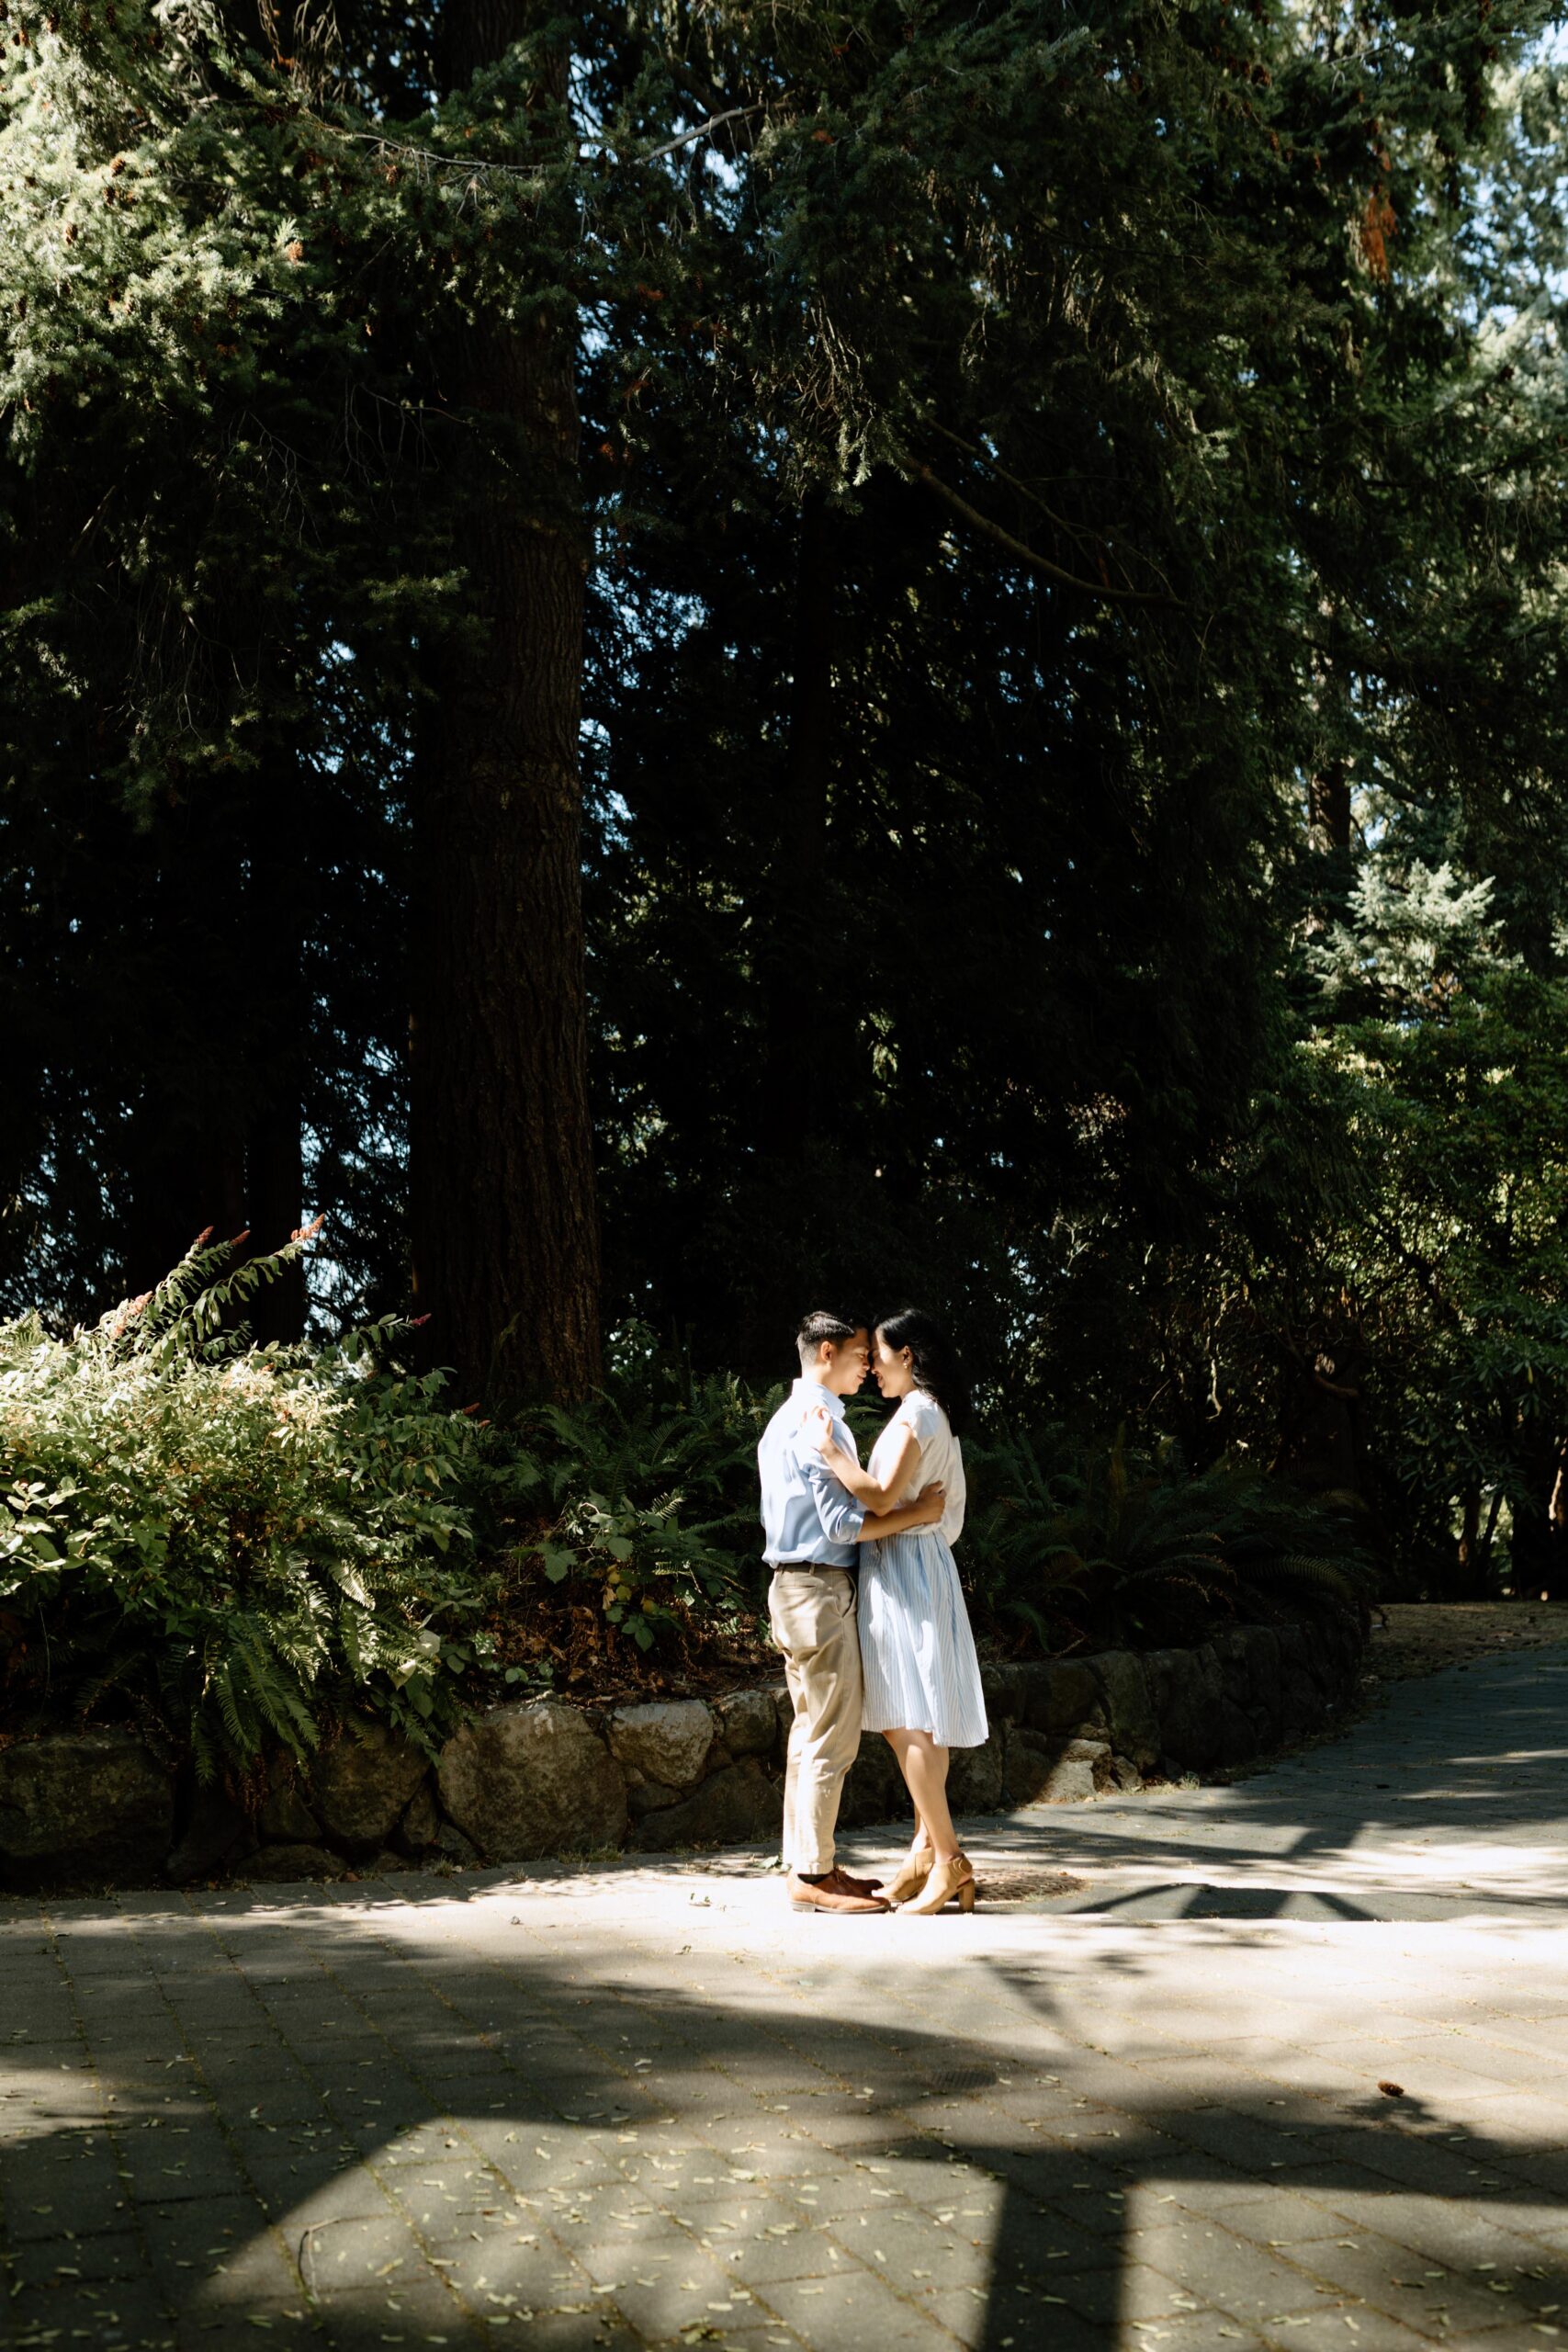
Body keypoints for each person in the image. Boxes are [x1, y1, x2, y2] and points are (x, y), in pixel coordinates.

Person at [758, 1310, 948, 1915]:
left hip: (793, 1588)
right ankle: (813, 1876)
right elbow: (842, 1522)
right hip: (817, 1588)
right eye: (859, 1354)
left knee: (808, 1733)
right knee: (830, 1737)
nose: (868, 1364)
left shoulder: (783, 1420)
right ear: (825, 1355)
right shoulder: (819, 1424)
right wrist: (915, 1516)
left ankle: (810, 1865)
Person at [807, 1307, 987, 1916]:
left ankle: (948, 1856)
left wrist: (831, 1453)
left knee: (900, 1714)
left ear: (906, 1355)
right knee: (918, 1711)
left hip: (904, 1566)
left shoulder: (917, 1414)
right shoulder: (931, 1412)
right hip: (916, 1563)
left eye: (878, 1355)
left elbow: (881, 1497)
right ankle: (923, 1849)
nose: (872, 1366)